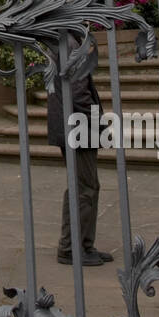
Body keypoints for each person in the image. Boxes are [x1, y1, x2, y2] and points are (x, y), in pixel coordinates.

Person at [47, 33, 113, 267]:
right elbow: (76, 92)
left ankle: (84, 244)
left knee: (88, 185)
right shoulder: (70, 43)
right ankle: (70, 248)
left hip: (77, 124)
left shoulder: (72, 40)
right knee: (83, 187)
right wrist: (96, 124)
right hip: (77, 125)